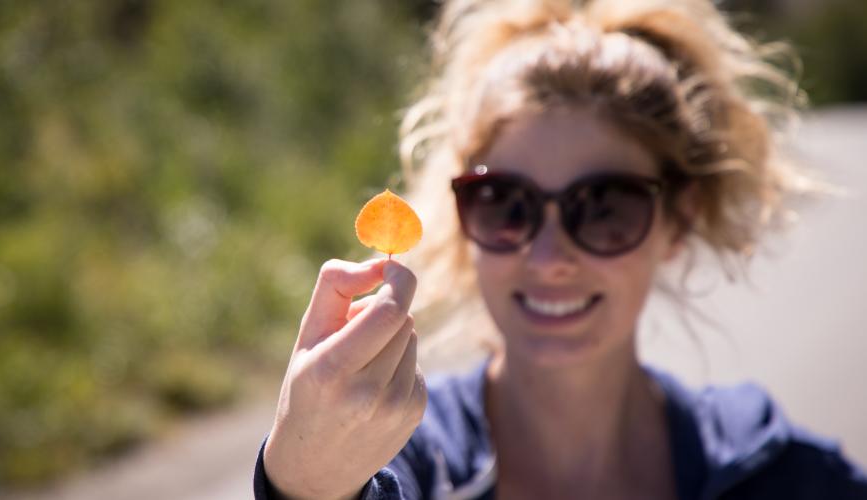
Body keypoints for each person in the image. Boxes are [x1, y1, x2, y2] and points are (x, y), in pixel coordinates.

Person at [254, 0, 867, 498]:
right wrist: (306, 485)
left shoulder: (786, 478)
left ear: (677, 222)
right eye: (506, 204)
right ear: (463, 216)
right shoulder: (395, 460)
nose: (549, 258)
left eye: (605, 209)